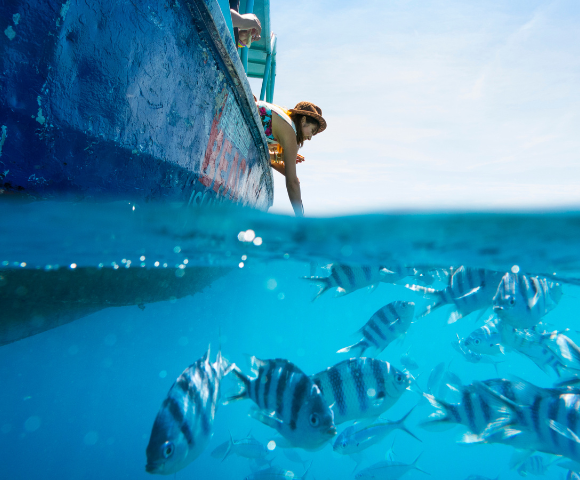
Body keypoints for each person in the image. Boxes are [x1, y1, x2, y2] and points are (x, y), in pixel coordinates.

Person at [256, 100, 327, 217]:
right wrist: (300, 217)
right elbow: (291, 183)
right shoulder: (291, 135)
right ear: (303, 120)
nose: (310, 138)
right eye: (312, 131)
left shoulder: (283, 119)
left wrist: (283, 157)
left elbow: (269, 159)